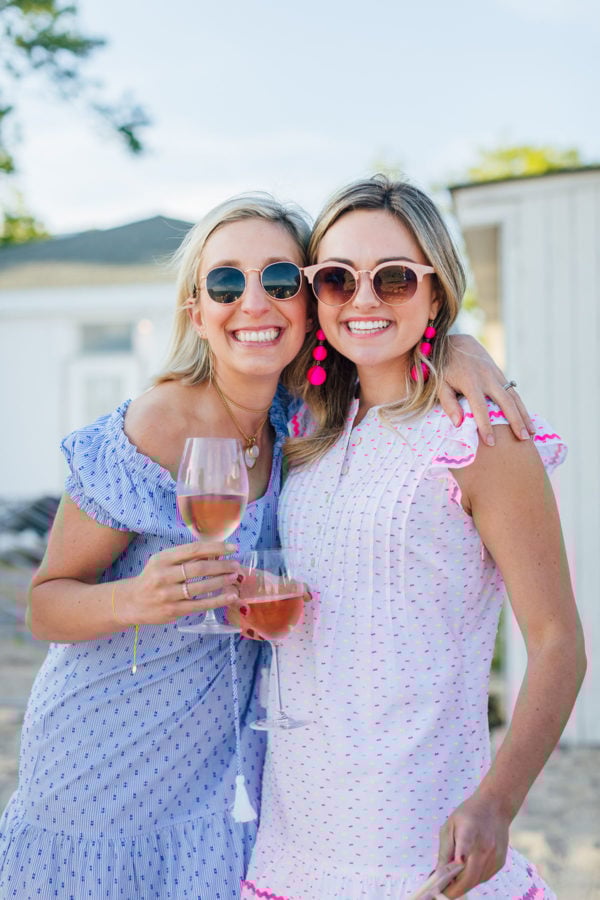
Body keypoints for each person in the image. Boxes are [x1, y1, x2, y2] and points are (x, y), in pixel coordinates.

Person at [0, 190, 533, 900]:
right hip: (107, 758)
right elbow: (43, 606)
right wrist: (135, 597)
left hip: (230, 771)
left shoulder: (304, 419)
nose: (255, 301)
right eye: (226, 282)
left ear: (310, 301)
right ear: (197, 310)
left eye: (281, 280)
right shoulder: (155, 425)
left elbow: (393, 349)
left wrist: (457, 346)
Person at [242, 177, 586, 900]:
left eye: (394, 279)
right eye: (337, 279)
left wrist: (498, 802)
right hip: (290, 844)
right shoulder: (303, 428)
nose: (363, 301)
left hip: (416, 842)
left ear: (436, 292)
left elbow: (558, 642)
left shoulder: (483, 438)